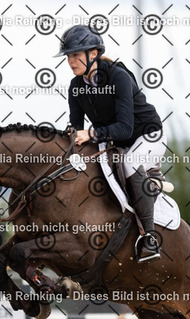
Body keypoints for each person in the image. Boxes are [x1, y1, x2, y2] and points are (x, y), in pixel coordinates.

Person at [55, 25, 167, 263]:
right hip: (114, 140)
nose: (70, 61)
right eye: (68, 56)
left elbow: (125, 128)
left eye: (75, 55)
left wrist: (91, 133)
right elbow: (76, 127)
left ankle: (149, 238)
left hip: (147, 135)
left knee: (129, 164)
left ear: (93, 53)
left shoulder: (119, 77)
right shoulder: (76, 87)